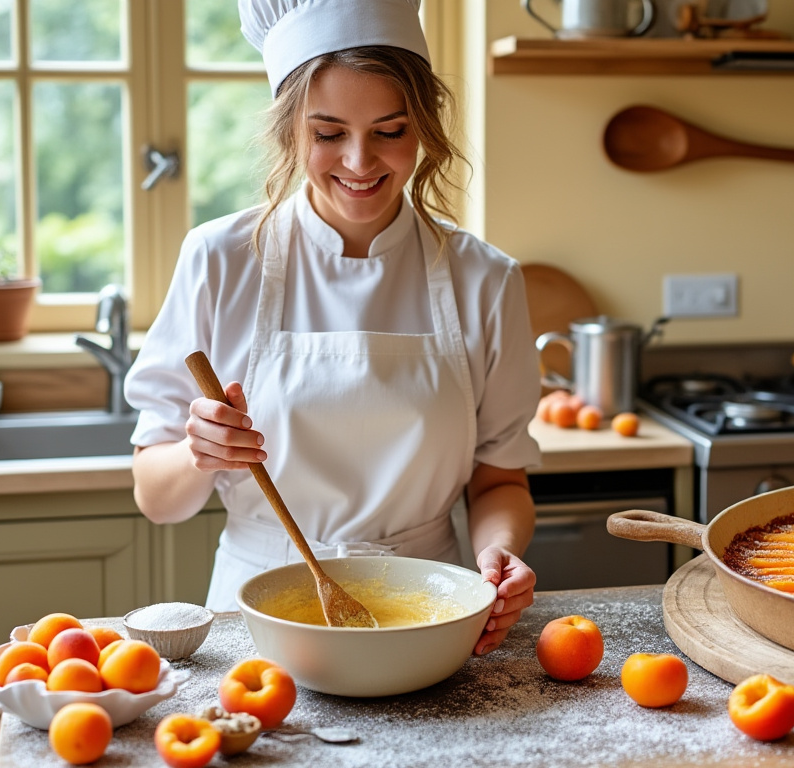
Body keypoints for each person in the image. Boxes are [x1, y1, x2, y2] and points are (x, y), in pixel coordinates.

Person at [123, 0, 541, 655]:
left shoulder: (485, 279)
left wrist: (498, 554)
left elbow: (499, 481)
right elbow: (157, 496)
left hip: (431, 608)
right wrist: (200, 452)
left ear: (424, 126)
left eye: (390, 130)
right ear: (290, 130)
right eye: (327, 133)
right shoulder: (220, 260)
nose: (359, 161)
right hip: (254, 618)